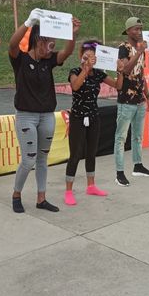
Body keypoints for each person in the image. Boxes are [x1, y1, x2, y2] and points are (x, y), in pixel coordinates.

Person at [9, 8, 81, 213]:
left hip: (47, 115)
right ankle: (16, 194)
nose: (49, 47)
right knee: (28, 159)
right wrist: (28, 22)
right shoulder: (21, 60)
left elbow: (66, 52)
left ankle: (41, 198)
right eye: (46, 41)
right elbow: (12, 45)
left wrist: (72, 34)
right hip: (26, 116)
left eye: (52, 42)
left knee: (42, 158)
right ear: (36, 40)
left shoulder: (48, 61)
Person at [64, 41, 124, 206]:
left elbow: (118, 85)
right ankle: (68, 190)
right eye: (87, 55)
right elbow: (75, 86)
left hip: (93, 117)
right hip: (78, 117)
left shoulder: (98, 74)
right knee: (75, 154)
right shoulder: (75, 71)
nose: (90, 58)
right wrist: (85, 69)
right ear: (81, 56)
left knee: (91, 152)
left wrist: (120, 71)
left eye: (93, 55)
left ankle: (91, 185)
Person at [114, 17, 149, 187]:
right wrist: (138, 52)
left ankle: (138, 166)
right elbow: (125, 70)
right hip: (126, 99)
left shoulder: (140, 50)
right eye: (136, 29)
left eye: (141, 29)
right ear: (128, 31)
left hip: (139, 99)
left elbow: (141, 75)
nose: (139, 32)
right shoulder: (123, 48)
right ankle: (119, 173)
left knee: (138, 136)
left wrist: (148, 96)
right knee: (121, 137)